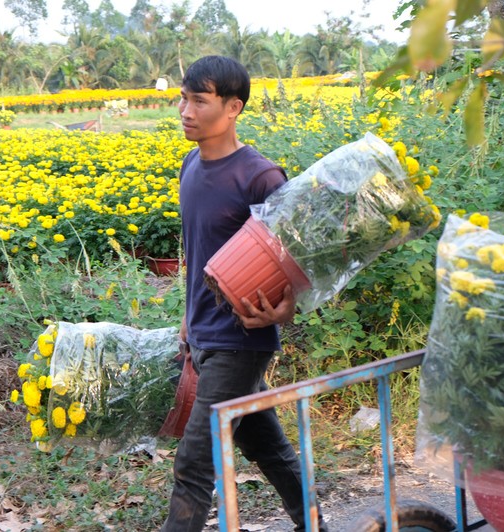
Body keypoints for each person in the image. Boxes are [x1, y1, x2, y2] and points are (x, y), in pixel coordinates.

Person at [161, 55, 328, 532]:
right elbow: (199, 252)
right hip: (203, 336)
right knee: (266, 445)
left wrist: (289, 303)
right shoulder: (191, 164)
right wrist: (186, 323)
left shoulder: (259, 177)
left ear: (233, 107)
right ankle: (314, 524)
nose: (185, 110)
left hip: (241, 339)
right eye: (183, 98)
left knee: (194, 464)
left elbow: (300, 254)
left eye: (198, 100)